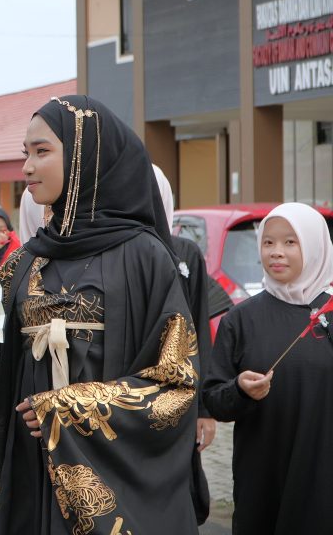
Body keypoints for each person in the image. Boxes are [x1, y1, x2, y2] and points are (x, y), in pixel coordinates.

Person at [0, 95, 200, 535]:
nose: (26, 167)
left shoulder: (144, 257)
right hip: (27, 469)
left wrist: (68, 407)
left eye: (41, 151)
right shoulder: (23, 262)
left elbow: (177, 383)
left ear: (86, 155)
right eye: (26, 153)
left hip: (109, 477)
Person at [203, 202, 333, 534]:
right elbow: (214, 398)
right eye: (268, 242)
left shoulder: (328, 314)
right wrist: (240, 391)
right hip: (263, 477)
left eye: (291, 242)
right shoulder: (241, 319)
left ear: (315, 246)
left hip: (322, 476)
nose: (276, 252)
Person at [152, 164, 216, 523]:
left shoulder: (185, 253)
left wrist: (203, 409)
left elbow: (199, 331)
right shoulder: (113, 255)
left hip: (180, 389)